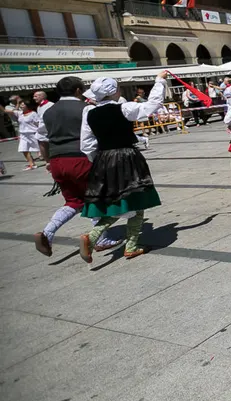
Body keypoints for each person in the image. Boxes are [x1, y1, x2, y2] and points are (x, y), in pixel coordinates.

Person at [77, 72, 168, 262]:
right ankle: (117, 242)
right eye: (118, 87)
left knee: (122, 202)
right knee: (135, 199)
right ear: (113, 92)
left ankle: (113, 241)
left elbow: (86, 145)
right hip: (126, 157)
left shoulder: (89, 113)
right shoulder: (124, 108)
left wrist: (99, 161)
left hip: (104, 159)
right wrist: (159, 81)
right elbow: (151, 106)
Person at [33, 76, 122, 256]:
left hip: (58, 161)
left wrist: (48, 161)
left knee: (73, 201)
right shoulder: (86, 108)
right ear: (78, 91)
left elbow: (41, 139)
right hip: (81, 159)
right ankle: (101, 239)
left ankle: (48, 232)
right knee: (97, 198)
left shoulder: (48, 111)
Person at [5, 99, 39, 170]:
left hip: (33, 134)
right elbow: (6, 111)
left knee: (40, 149)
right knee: (23, 149)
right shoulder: (19, 113)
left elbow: (38, 124)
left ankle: (49, 161)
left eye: (23, 104)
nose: (21, 106)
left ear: (28, 106)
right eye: (21, 104)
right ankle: (31, 164)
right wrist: (17, 103)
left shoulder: (33, 113)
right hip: (23, 134)